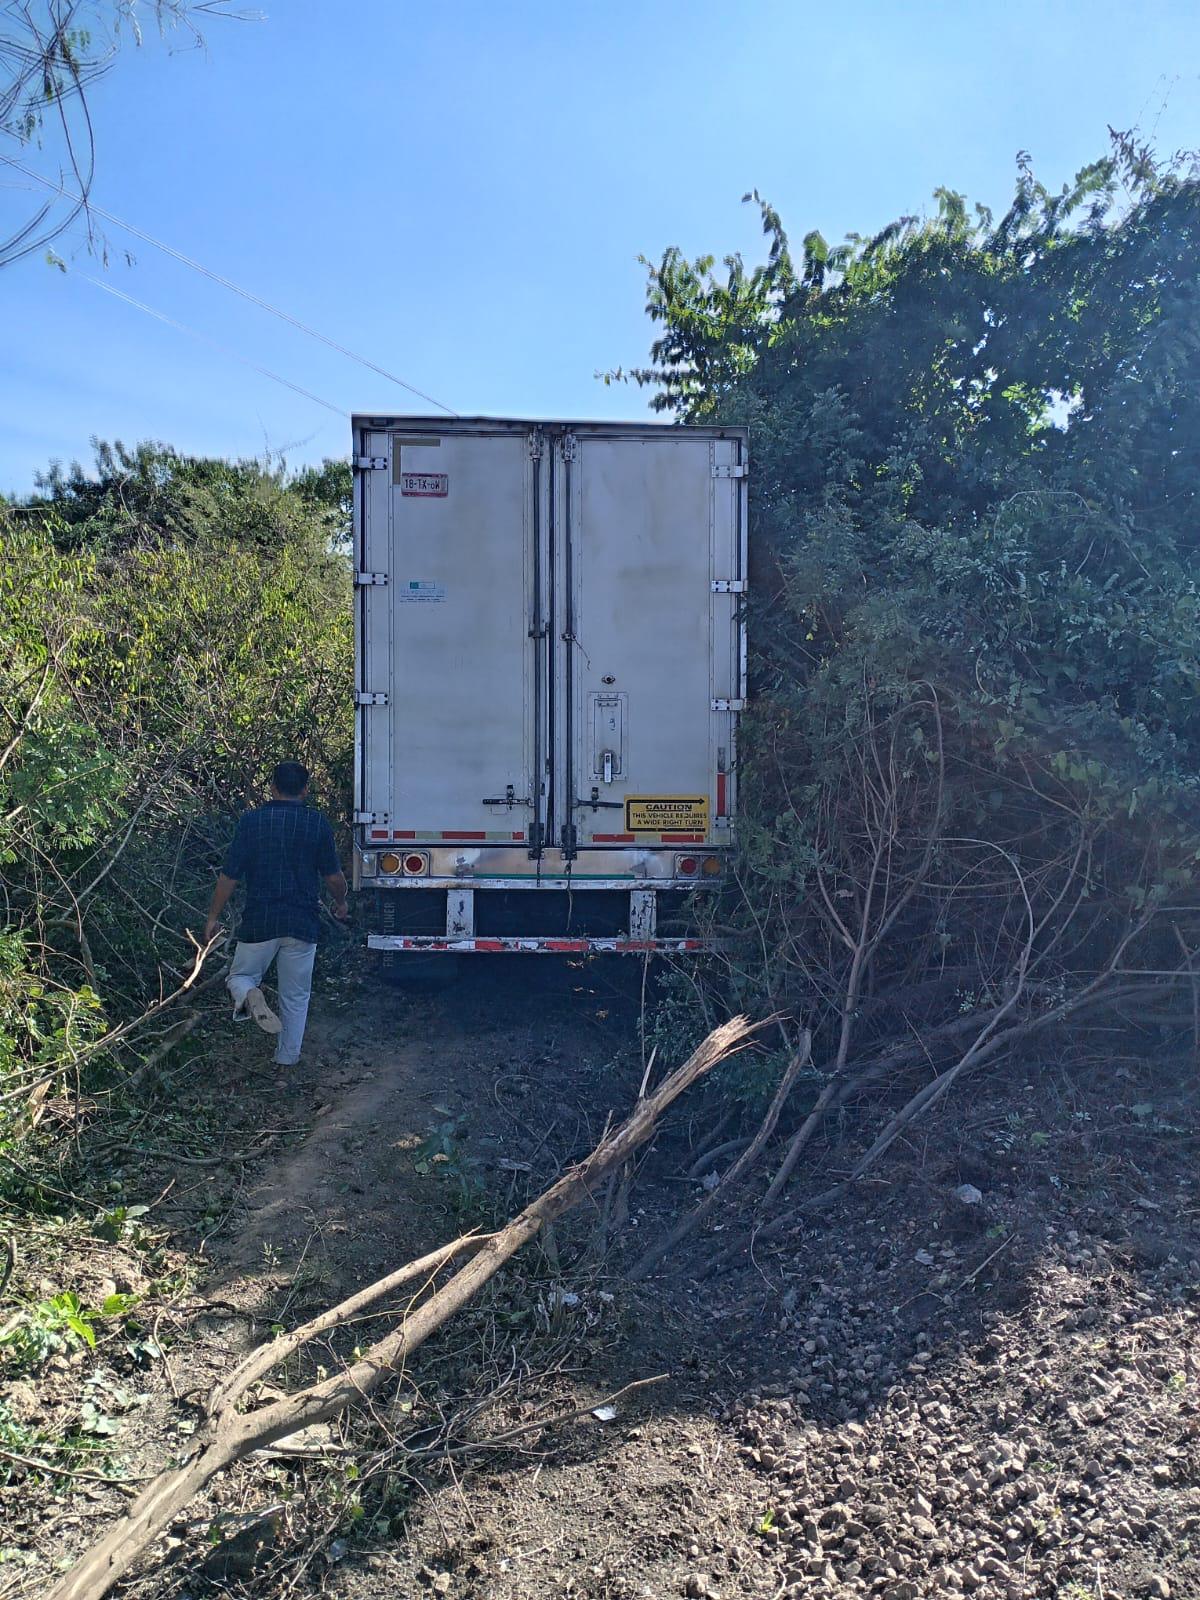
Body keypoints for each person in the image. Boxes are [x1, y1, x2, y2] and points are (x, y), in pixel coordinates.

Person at [204, 760, 349, 1070]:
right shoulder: (317, 824)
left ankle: (250, 994)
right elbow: (333, 877)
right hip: (302, 922)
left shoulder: (251, 822)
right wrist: (341, 903)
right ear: (306, 790)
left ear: (272, 787)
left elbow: (229, 876)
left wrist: (212, 917)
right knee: (296, 996)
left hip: (260, 919)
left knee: (240, 976)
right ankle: (286, 1060)